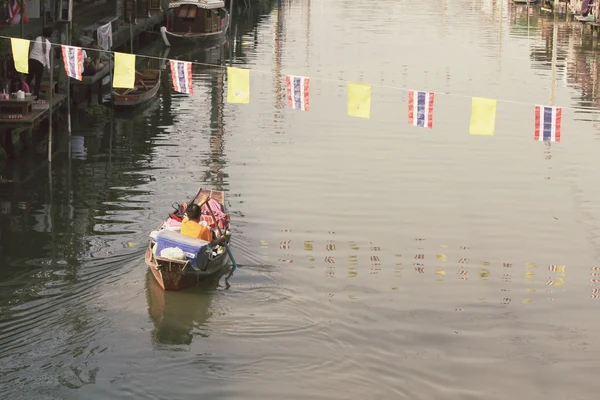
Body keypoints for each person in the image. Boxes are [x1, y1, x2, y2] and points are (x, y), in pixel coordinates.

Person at [26, 27, 53, 99]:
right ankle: (36, 96)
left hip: (31, 60)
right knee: (38, 81)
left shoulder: (37, 38)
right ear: (50, 34)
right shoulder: (48, 43)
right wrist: (49, 67)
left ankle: (25, 92)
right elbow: (46, 56)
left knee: (29, 78)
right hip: (39, 62)